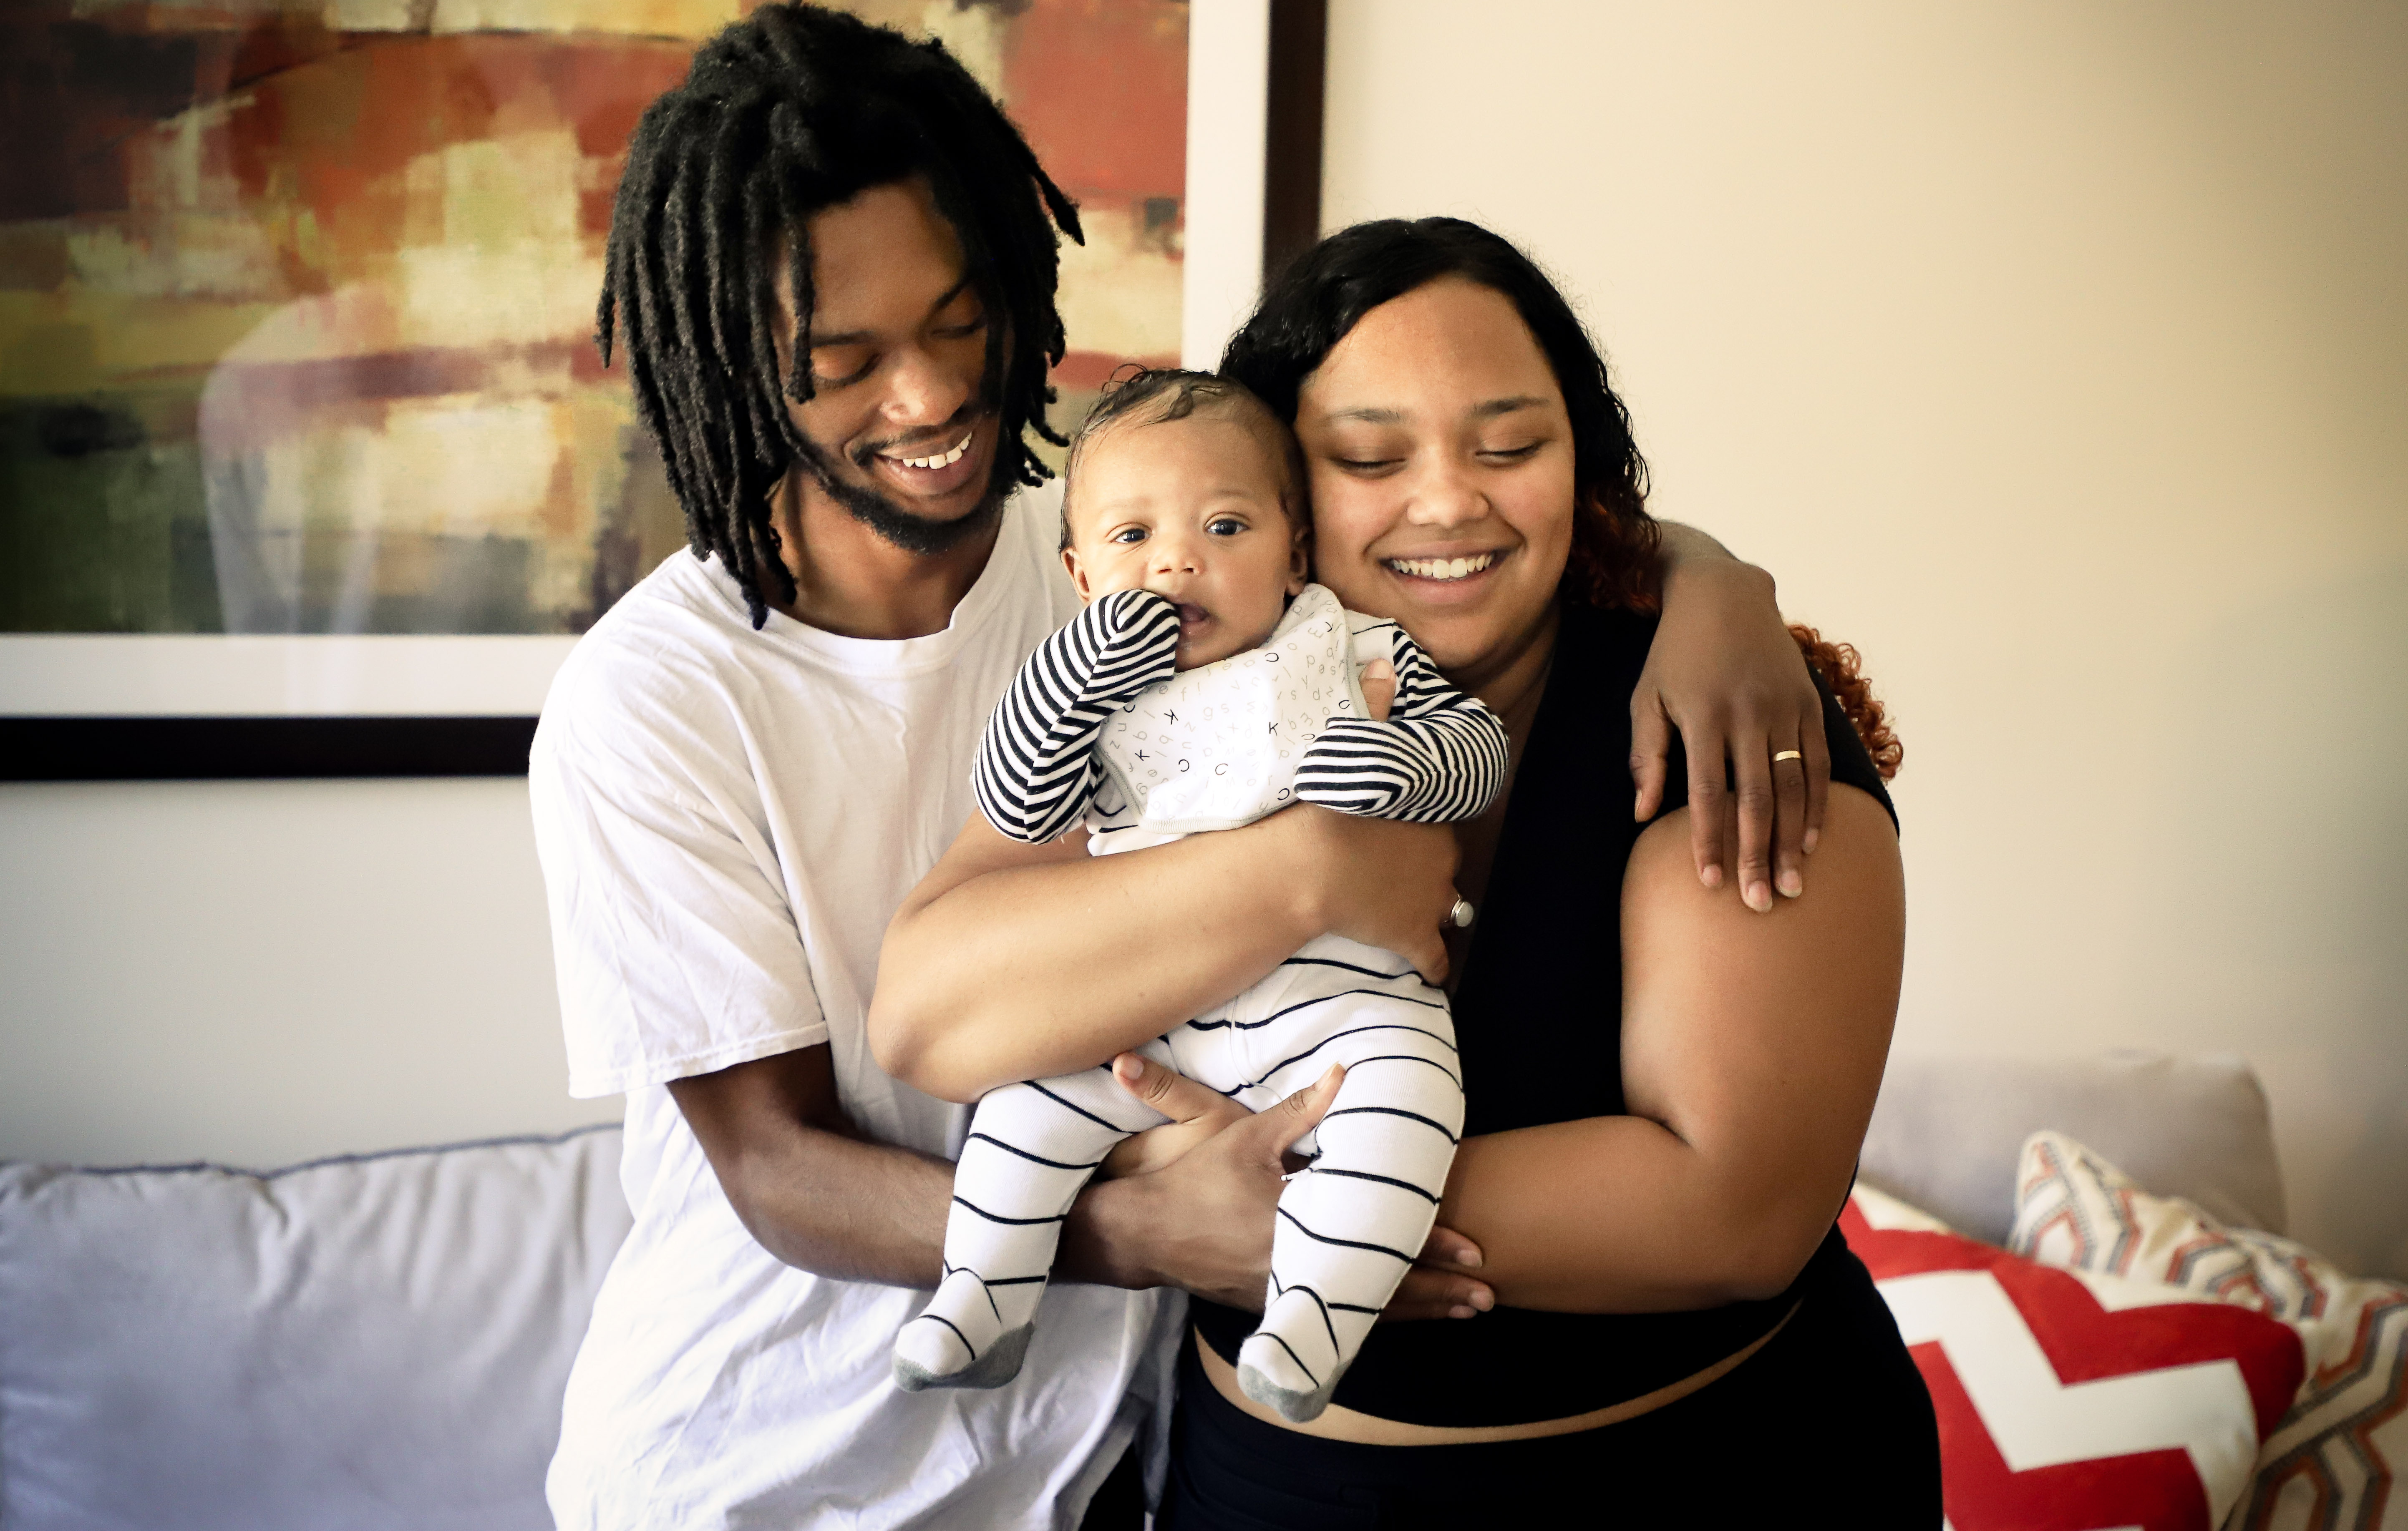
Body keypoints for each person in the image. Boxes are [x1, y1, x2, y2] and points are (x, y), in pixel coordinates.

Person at [530, 5, 1854, 1526]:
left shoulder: (1117, 550)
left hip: (1108, 1458)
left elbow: (1433, 525)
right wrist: (1155, 1228)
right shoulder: (653, 702)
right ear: (735, 365)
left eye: (960, 321)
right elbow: (776, 1170)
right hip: (770, 1466)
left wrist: (1716, 587)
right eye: (845, 362)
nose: (932, 399)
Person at [871, 217, 1939, 1527]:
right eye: (1370, 457)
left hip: (1683, 1481)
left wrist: (1279, 1209)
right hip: (1253, 1486)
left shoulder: (1703, 709)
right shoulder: (1159, 682)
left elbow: (1732, 1208)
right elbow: (929, 1017)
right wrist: (1310, 874)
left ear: (1582, 464)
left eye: (1509, 447)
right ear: (1277, 500)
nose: (1446, 501)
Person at [894, 370, 1507, 1418]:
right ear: (1082, 576)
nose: (1179, 560)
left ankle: (1315, 1321)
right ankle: (983, 1292)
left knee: (1410, 1102)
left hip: (1341, 1007)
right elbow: (1023, 804)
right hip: (1154, 1019)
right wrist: (1069, 681)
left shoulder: (1349, 644)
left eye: (1226, 525)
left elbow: (1478, 748)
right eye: (1133, 539)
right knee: (1025, 1109)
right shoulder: (1087, 693)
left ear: (1295, 551)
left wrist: (1399, 763)